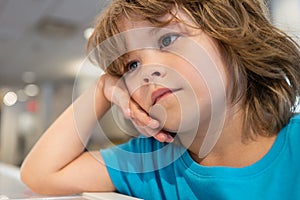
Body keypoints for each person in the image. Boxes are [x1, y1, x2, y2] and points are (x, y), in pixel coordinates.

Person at [20, 0, 300, 199]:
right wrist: (102, 87)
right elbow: (40, 174)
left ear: (233, 36)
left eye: (167, 40)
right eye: (131, 66)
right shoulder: (152, 162)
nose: (147, 71)